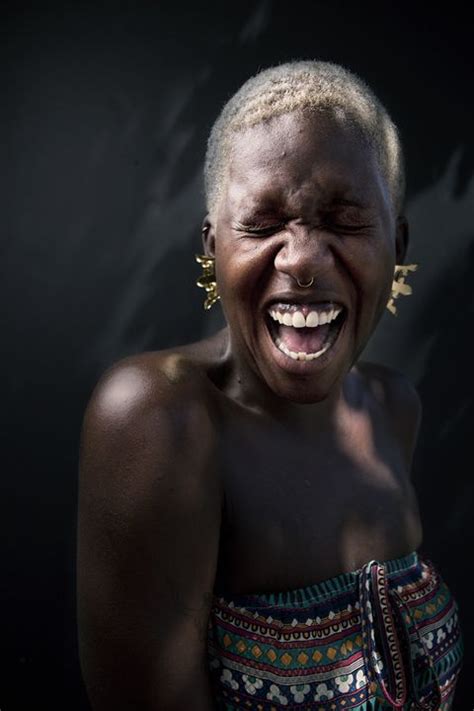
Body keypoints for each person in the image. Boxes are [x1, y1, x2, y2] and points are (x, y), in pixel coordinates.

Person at [76, 61, 464, 710]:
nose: (303, 258)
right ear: (211, 248)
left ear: (396, 244)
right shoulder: (158, 422)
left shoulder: (398, 408)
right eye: (261, 223)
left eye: (344, 220)